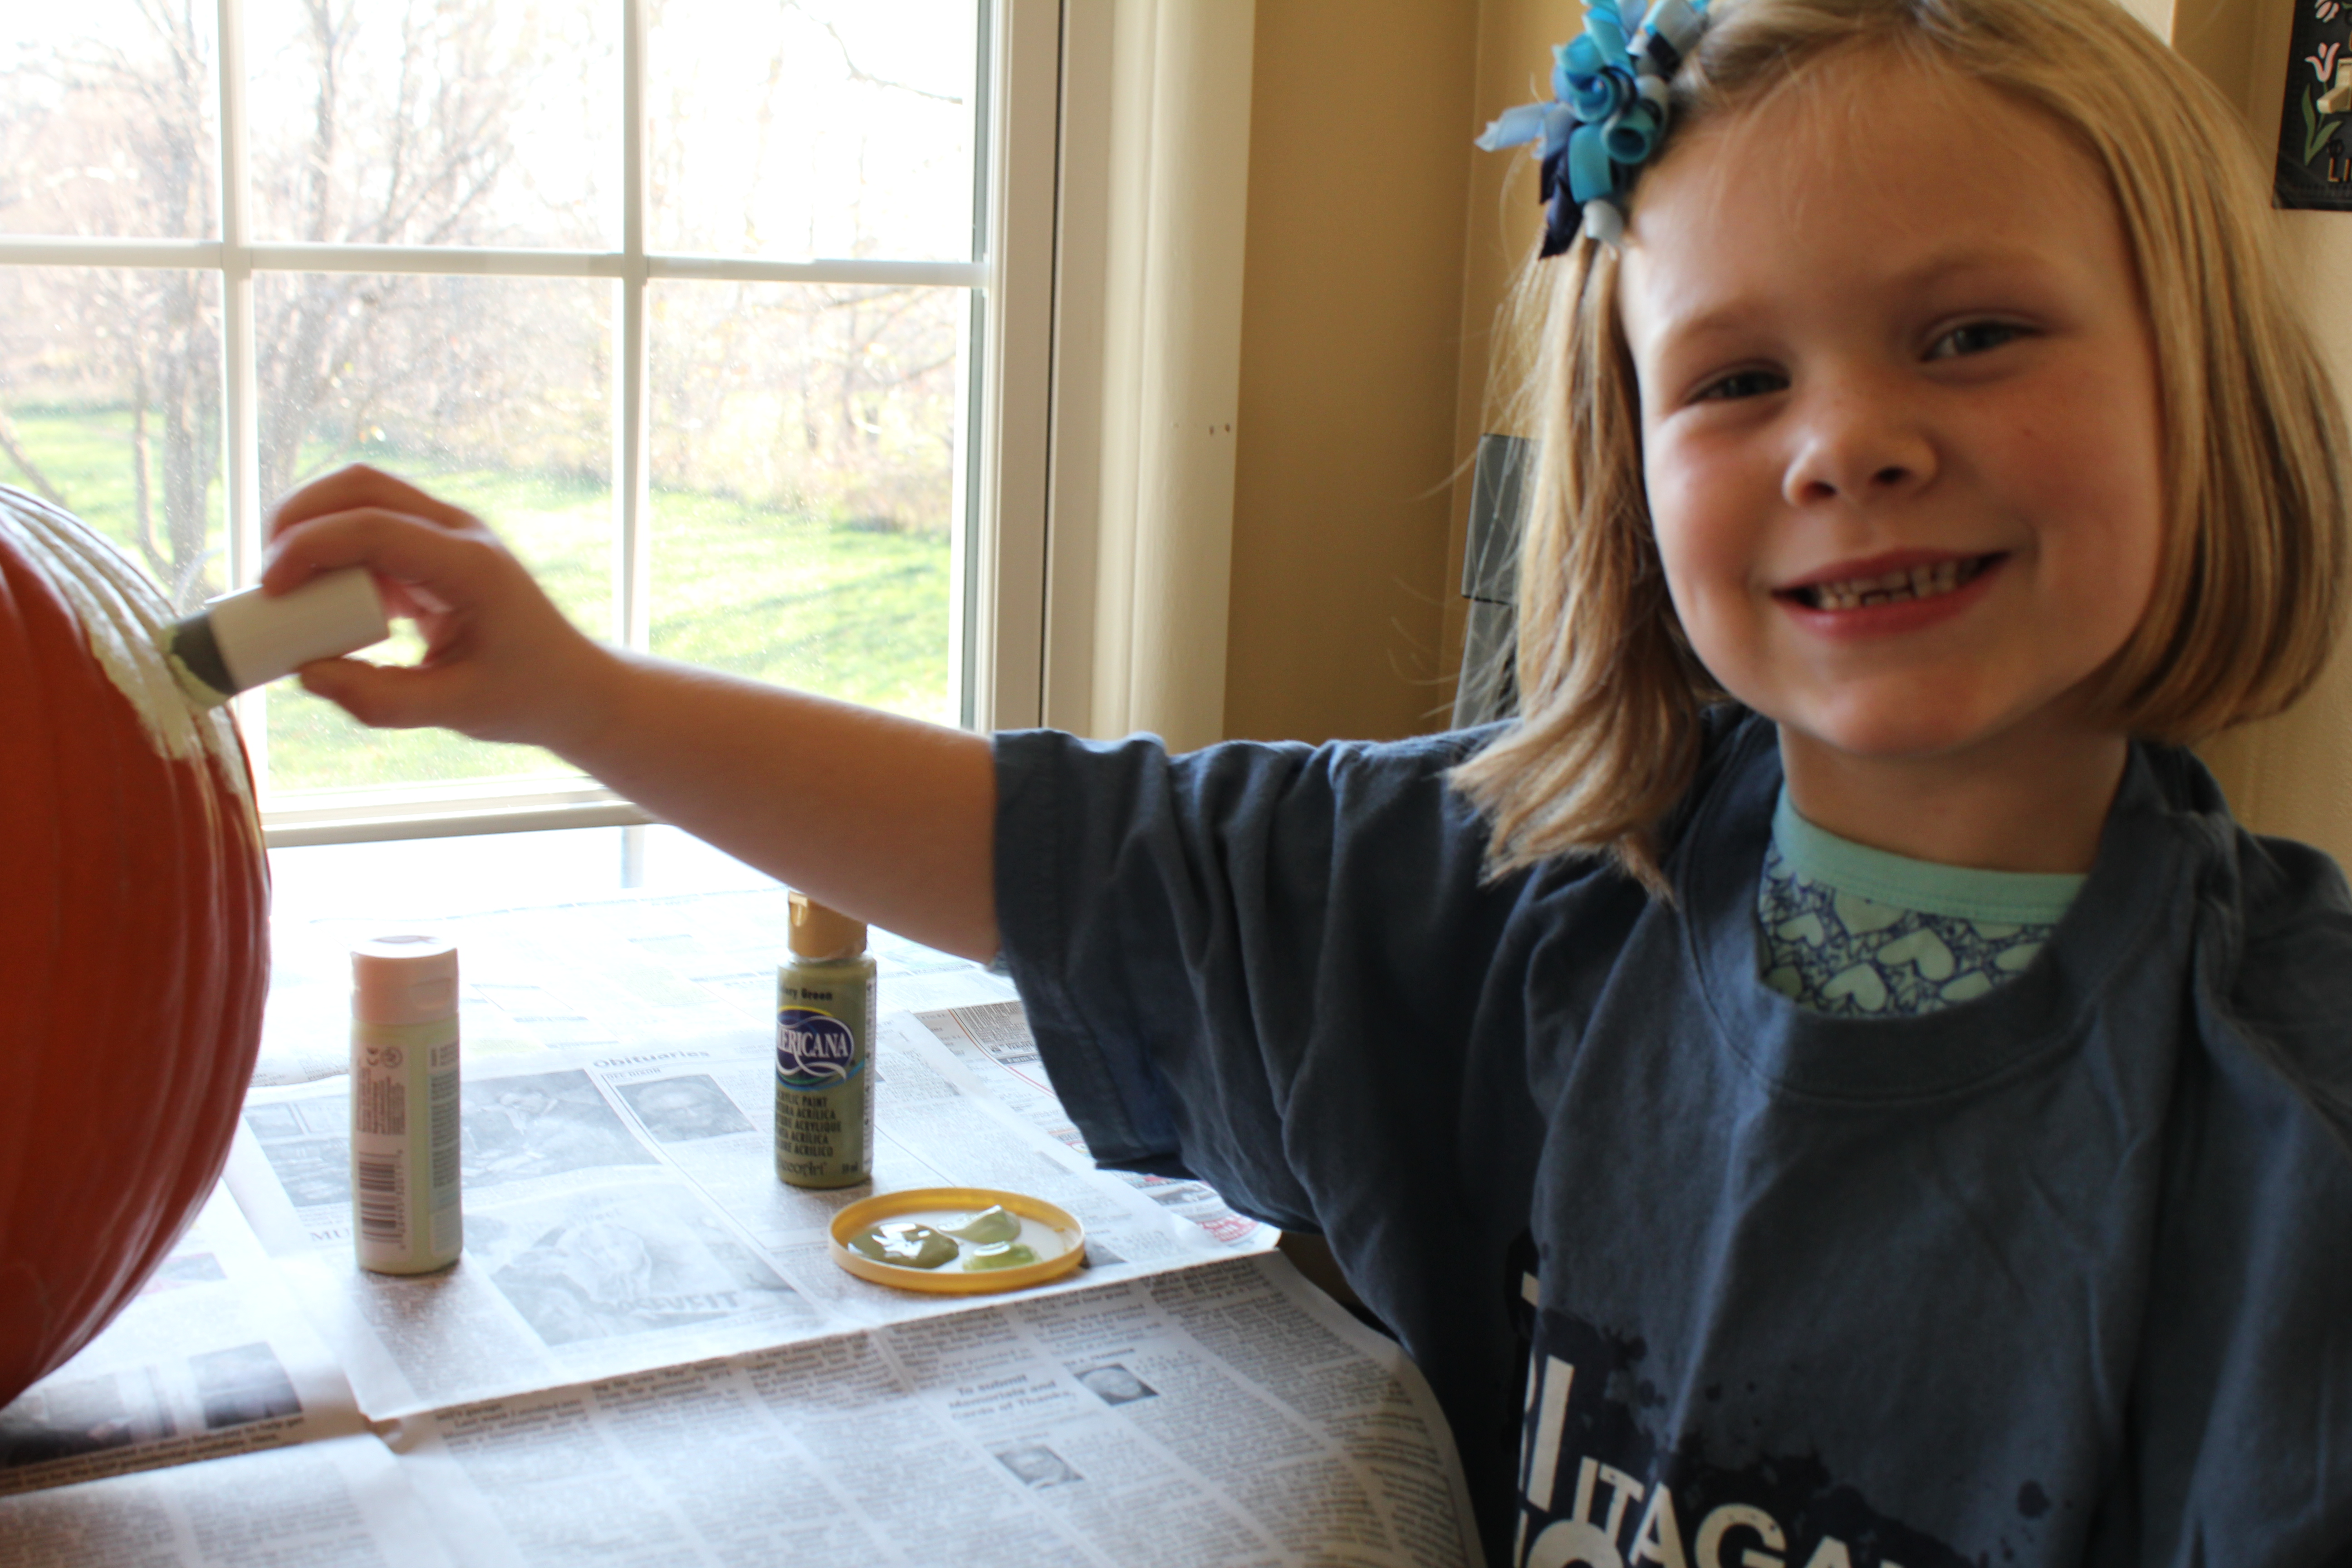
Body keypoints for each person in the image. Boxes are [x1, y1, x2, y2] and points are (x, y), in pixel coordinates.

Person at [260, 0, 2352, 1561]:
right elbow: (1061, 853)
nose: (1848, 443)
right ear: (1632, 472)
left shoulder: (2293, 1118)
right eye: (1737, 376)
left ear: (2199, 376)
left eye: (1972, 334)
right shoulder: (1512, 894)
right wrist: (576, 693)